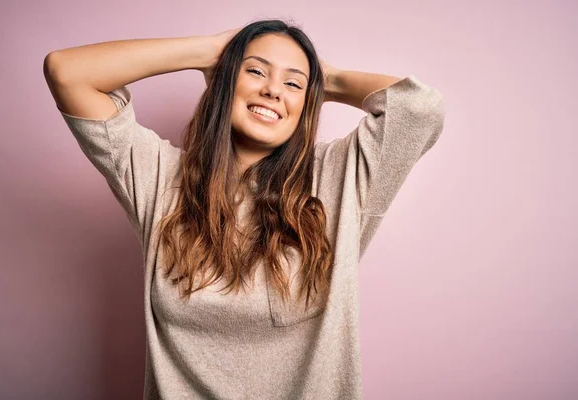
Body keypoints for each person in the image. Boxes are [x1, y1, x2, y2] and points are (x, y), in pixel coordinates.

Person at [43, 18, 445, 400]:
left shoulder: (339, 179)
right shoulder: (160, 177)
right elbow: (67, 72)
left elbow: (419, 109)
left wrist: (328, 79)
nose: (273, 90)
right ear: (224, 81)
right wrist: (210, 51)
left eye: (293, 84)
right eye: (255, 72)